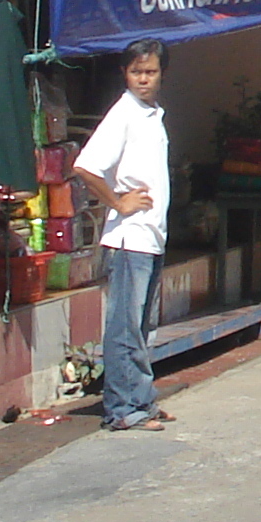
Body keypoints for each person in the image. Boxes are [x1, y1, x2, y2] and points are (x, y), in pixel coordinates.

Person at [73, 44, 173, 430]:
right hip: (129, 239)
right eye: (136, 73)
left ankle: (141, 401)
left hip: (151, 237)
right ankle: (123, 409)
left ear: (162, 72)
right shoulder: (124, 114)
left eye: (150, 72)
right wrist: (117, 201)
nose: (144, 79)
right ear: (125, 74)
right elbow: (86, 166)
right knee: (125, 328)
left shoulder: (151, 116)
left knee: (142, 326)